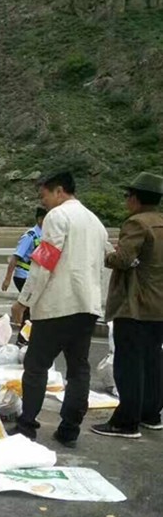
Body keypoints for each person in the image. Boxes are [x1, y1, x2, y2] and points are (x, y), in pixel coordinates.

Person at [10, 171, 109, 447]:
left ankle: (27, 425)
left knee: (36, 366)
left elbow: (44, 262)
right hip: (87, 306)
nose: (43, 202)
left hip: (57, 305)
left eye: (44, 195)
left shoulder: (57, 216)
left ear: (59, 191)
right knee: (78, 369)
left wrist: (23, 301)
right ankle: (69, 429)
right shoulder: (96, 222)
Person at [92, 172, 163, 438]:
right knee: (153, 361)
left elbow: (122, 259)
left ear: (135, 199)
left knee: (129, 364)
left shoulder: (136, 223)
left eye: (127, 196)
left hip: (135, 305)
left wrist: (108, 254)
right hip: (158, 306)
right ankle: (151, 414)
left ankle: (126, 422)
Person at [2, 207, 47, 340]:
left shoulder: (46, 234)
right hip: (23, 276)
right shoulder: (30, 236)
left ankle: (29, 338)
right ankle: (23, 340)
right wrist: (7, 279)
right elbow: (15, 257)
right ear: (40, 219)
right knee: (27, 307)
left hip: (35, 276)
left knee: (33, 308)